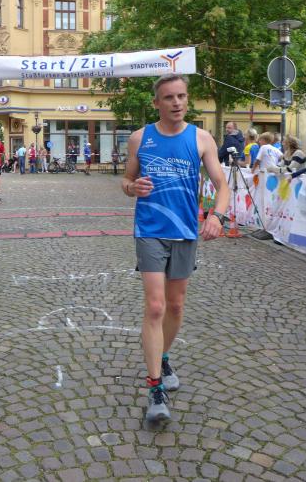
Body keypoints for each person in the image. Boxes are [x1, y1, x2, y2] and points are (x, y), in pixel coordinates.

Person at [122, 73, 229, 424]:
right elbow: (126, 180)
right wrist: (132, 187)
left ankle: (163, 357)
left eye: (181, 96)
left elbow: (221, 184)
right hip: (150, 229)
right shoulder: (140, 138)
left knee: (176, 305)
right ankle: (155, 387)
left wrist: (217, 216)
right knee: (155, 306)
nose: (177, 102)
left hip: (184, 231)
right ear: (157, 103)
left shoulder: (201, 138)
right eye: (169, 97)